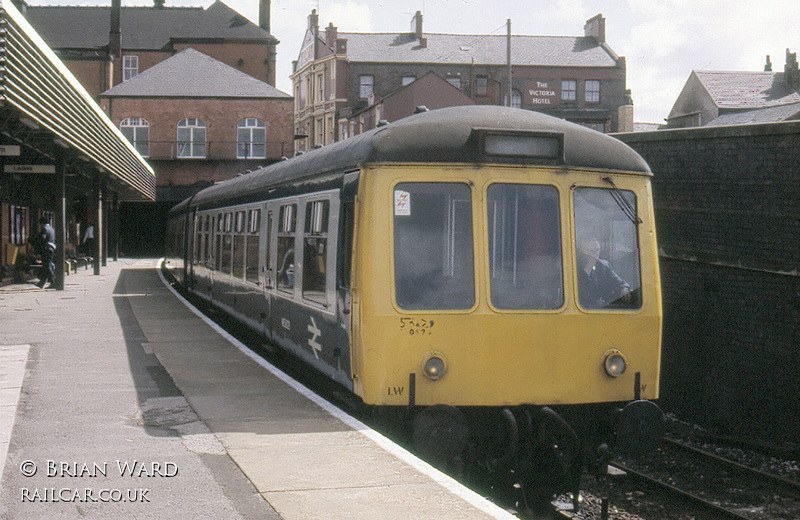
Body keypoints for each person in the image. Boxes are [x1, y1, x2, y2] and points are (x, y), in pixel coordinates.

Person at [576, 238, 630, 309]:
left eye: (597, 251)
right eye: (591, 251)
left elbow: (620, 283)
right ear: (581, 253)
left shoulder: (604, 266)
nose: (594, 254)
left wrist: (624, 290)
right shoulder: (574, 269)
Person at [37, 217, 56, 289]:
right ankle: (41, 283)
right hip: (51, 248)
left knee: (47, 265)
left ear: (42, 223)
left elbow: (42, 239)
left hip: (46, 249)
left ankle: (53, 281)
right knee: (46, 265)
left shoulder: (45, 229)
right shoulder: (51, 229)